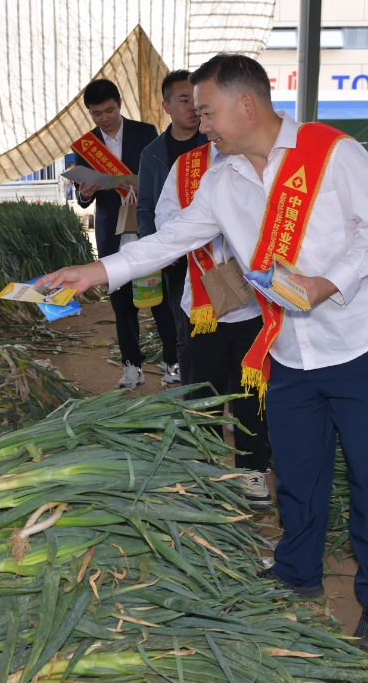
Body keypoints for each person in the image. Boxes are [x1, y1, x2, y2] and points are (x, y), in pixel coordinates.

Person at [40, 53, 368, 651]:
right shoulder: (220, 180)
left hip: (358, 344)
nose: (200, 123)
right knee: (297, 471)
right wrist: (95, 270)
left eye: (206, 111)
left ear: (247, 104)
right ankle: (297, 572)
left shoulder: (332, 153)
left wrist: (325, 283)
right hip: (286, 348)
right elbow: (169, 240)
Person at [154, 136, 273, 504]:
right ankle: (204, 472)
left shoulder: (263, 156)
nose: (204, 123)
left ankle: (253, 471)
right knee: (203, 393)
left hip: (254, 303)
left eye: (209, 112)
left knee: (252, 395)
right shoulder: (188, 165)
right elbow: (165, 217)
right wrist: (205, 224)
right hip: (203, 304)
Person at [73, 78, 179, 389]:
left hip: (147, 226)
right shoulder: (87, 146)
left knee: (160, 301)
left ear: (119, 104)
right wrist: (85, 192)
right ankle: (132, 366)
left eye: (109, 110)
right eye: (96, 114)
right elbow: (84, 198)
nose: (104, 119)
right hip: (112, 232)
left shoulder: (145, 133)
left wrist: (137, 183)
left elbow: (162, 177)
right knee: (121, 303)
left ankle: (173, 363)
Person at [137, 69, 210, 376]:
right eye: (183, 100)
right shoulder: (152, 153)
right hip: (178, 261)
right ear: (167, 106)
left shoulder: (215, 141)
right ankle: (194, 400)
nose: (192, 106)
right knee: (185, 332)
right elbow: (145, 208)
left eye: (195, 99)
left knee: (226, 330)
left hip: (217, 255)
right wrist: (159, 250)